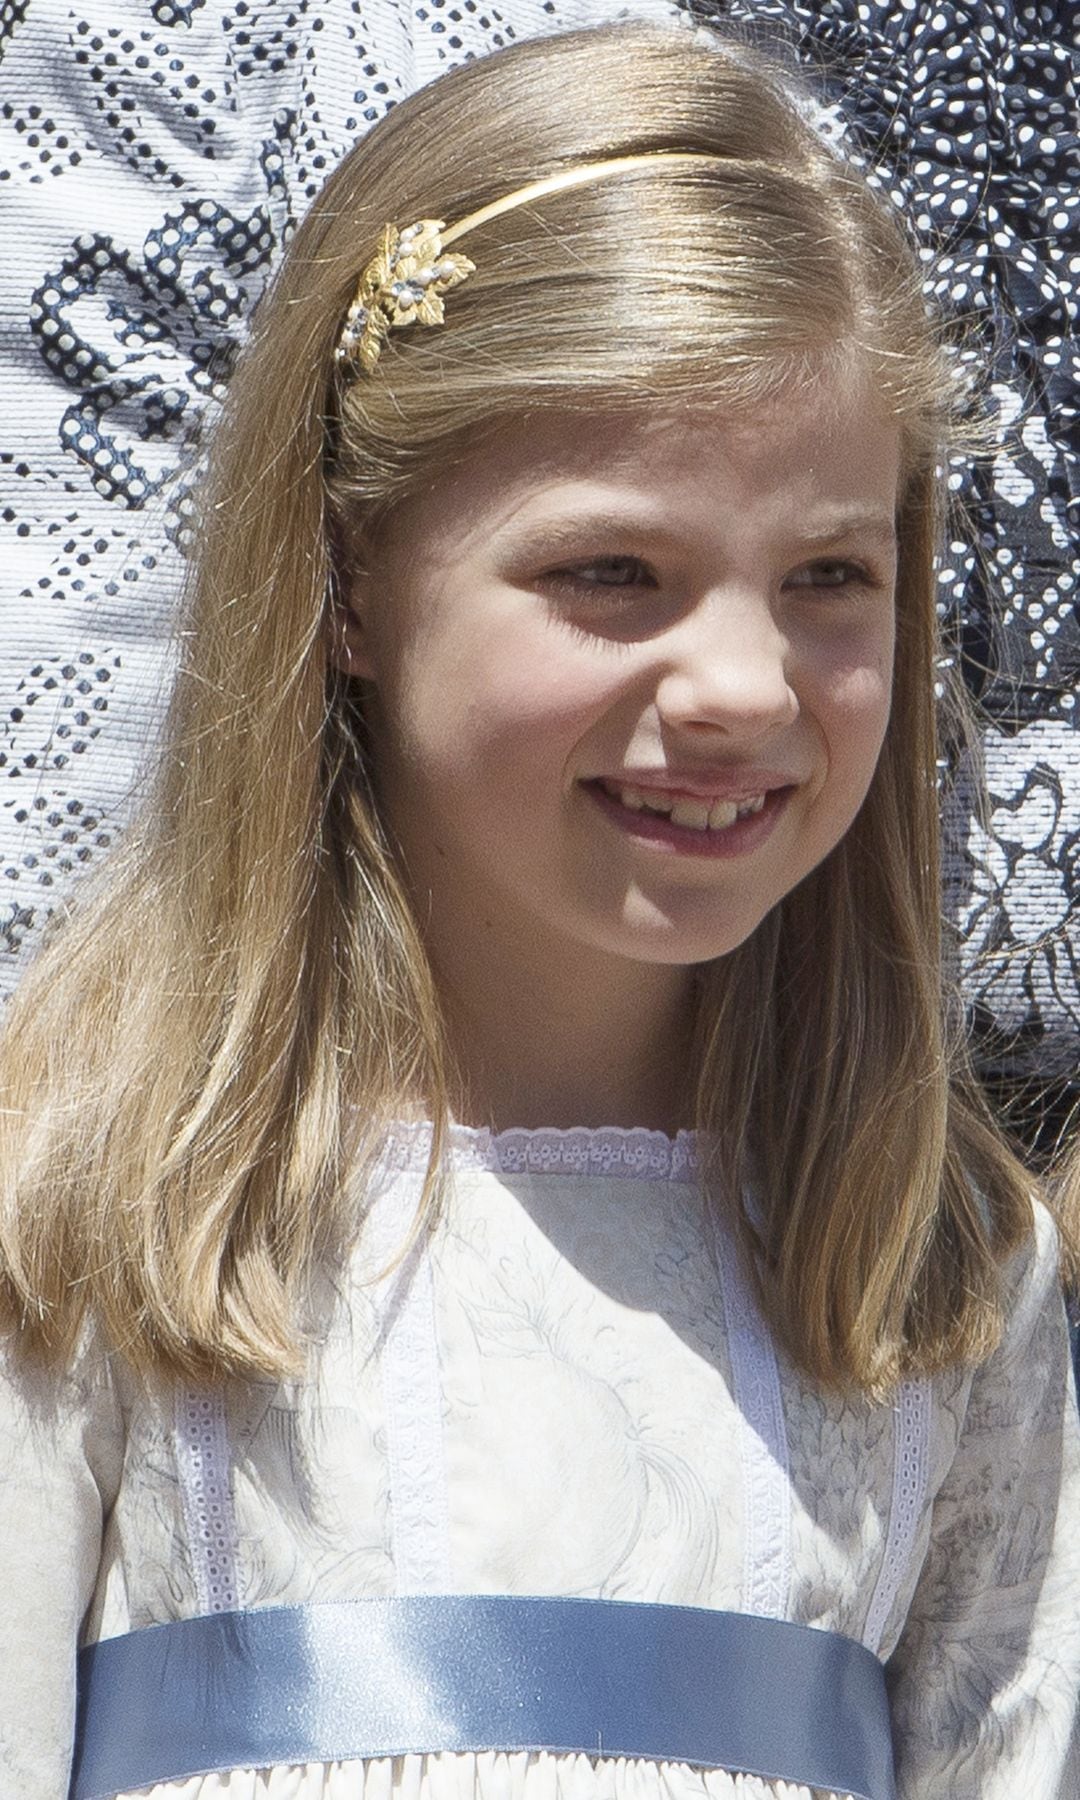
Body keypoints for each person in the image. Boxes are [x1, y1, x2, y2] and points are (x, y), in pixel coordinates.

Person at [0, 21, 1076, 1800]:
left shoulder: (937, 1274)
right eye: (610, 573)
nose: (739, 682)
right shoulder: (92, 1205)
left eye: (828, 576)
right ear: (352, 582)